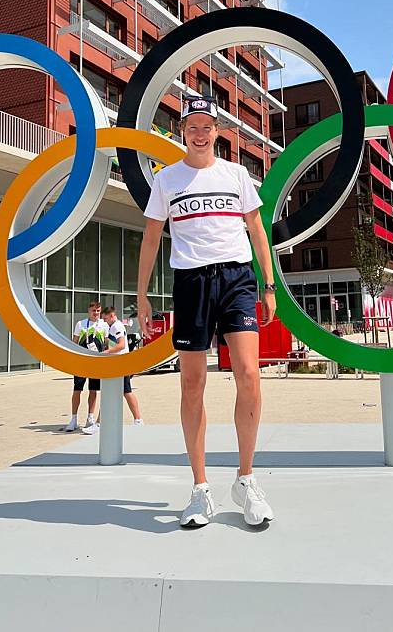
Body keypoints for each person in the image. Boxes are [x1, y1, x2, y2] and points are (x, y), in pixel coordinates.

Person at [137, 97, 276, 528]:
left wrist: (268, 285)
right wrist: (141, 295)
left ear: (218, 132)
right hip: (191, 283)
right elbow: (151, 237)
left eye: (207, 127)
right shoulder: (167, 180)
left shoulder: (236, 175)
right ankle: (200, 489)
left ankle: (246, 480)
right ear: (182, 131)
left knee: (249, 375)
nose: (200, 134)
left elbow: (256, 227)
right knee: (192, 383)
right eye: (192, 126)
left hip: (236, 278)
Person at [82, 305, 145, 435]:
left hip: (119, 365)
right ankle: (136, 420)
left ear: (112, 316)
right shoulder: (114, 326)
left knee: (124, 392)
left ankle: (102, 424)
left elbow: (121, 345)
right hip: (118, 364)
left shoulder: (117, 326)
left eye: (105, 318)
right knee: (123, 392)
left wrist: (106, 352)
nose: (104, 321)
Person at [63, 300, 109, 432]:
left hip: (96, 363)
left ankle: (90, 417)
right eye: (93, 311)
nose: (96, 313)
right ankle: (73, 419)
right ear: (89, 311)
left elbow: (106, 344)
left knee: (93, 390)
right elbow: (75, 342)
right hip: (81, 363)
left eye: (98, 311)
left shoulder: (104, 325)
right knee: (77, 390)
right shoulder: (81, 324)